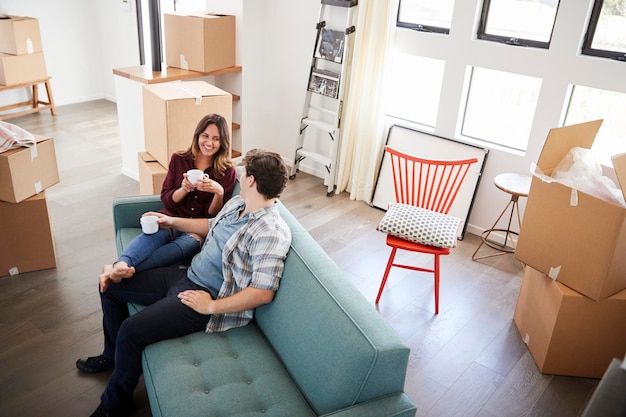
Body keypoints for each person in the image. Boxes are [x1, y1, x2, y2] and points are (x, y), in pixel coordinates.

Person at [77, 149, 291, 417]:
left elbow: (263, 293)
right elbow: (212, 225)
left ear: (251, 180)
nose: (239, 174)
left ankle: (114, 404)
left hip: (204, 295)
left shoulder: (271, 232)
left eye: (244, 171)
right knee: (111, 285)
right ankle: (112, 356)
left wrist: (211, 306)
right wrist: (171, 221)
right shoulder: (238, 203)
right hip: (187, 274)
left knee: (131, 331)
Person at [103, 113, 238, 282]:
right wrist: (182, 189)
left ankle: (121, 272)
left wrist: (217, 192)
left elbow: (214, 217)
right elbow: (166, 198)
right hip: (172, 217)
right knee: (154, 233)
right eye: (205, 136)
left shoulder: (227, 171)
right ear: (197, 135)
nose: (209, 143)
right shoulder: (179, 159)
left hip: (196, 230)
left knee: (189, 243)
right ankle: (122, 263)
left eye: (216, 139)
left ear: (222, 142)